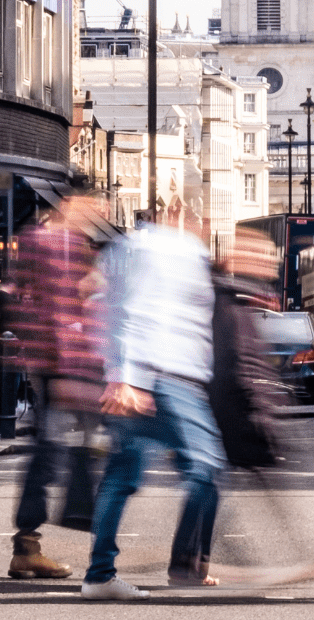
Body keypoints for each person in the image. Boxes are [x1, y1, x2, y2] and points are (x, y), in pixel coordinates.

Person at [79, 220, 223, 601]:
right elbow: (136, 312)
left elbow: (114, 312)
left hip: (152, 376)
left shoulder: (134, 250)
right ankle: (186, 564)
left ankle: (100, 574)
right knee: (206, 465)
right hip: (166, 378)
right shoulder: (166, 249)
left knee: (122, 474)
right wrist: (130, 377)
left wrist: (121, 374)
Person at [6, 200, 106, 579]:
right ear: (68, 206)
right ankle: (30, 546)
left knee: (67, 450)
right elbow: (41, 310)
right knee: (51, 453)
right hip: (59, 369)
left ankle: (33, 544)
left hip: (70, 367)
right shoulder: (46, 243)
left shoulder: (72, 245)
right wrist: (62, 371)